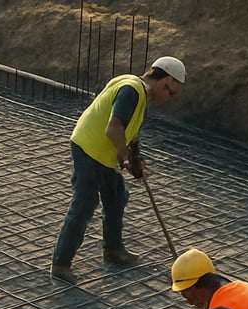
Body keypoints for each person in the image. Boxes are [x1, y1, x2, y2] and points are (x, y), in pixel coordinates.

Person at [50, 55, 186, 285]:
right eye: (170, 92)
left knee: (116, 197)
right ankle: (60, 264)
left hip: (104, 155)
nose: (168, 98)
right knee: (84, 204)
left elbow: (129, 133)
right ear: (165, 81)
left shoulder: (139, 95)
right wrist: (124, 159)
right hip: (88, 149)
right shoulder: (131, 90)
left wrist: (136, 161)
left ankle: (113, 249)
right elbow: (113, 128)